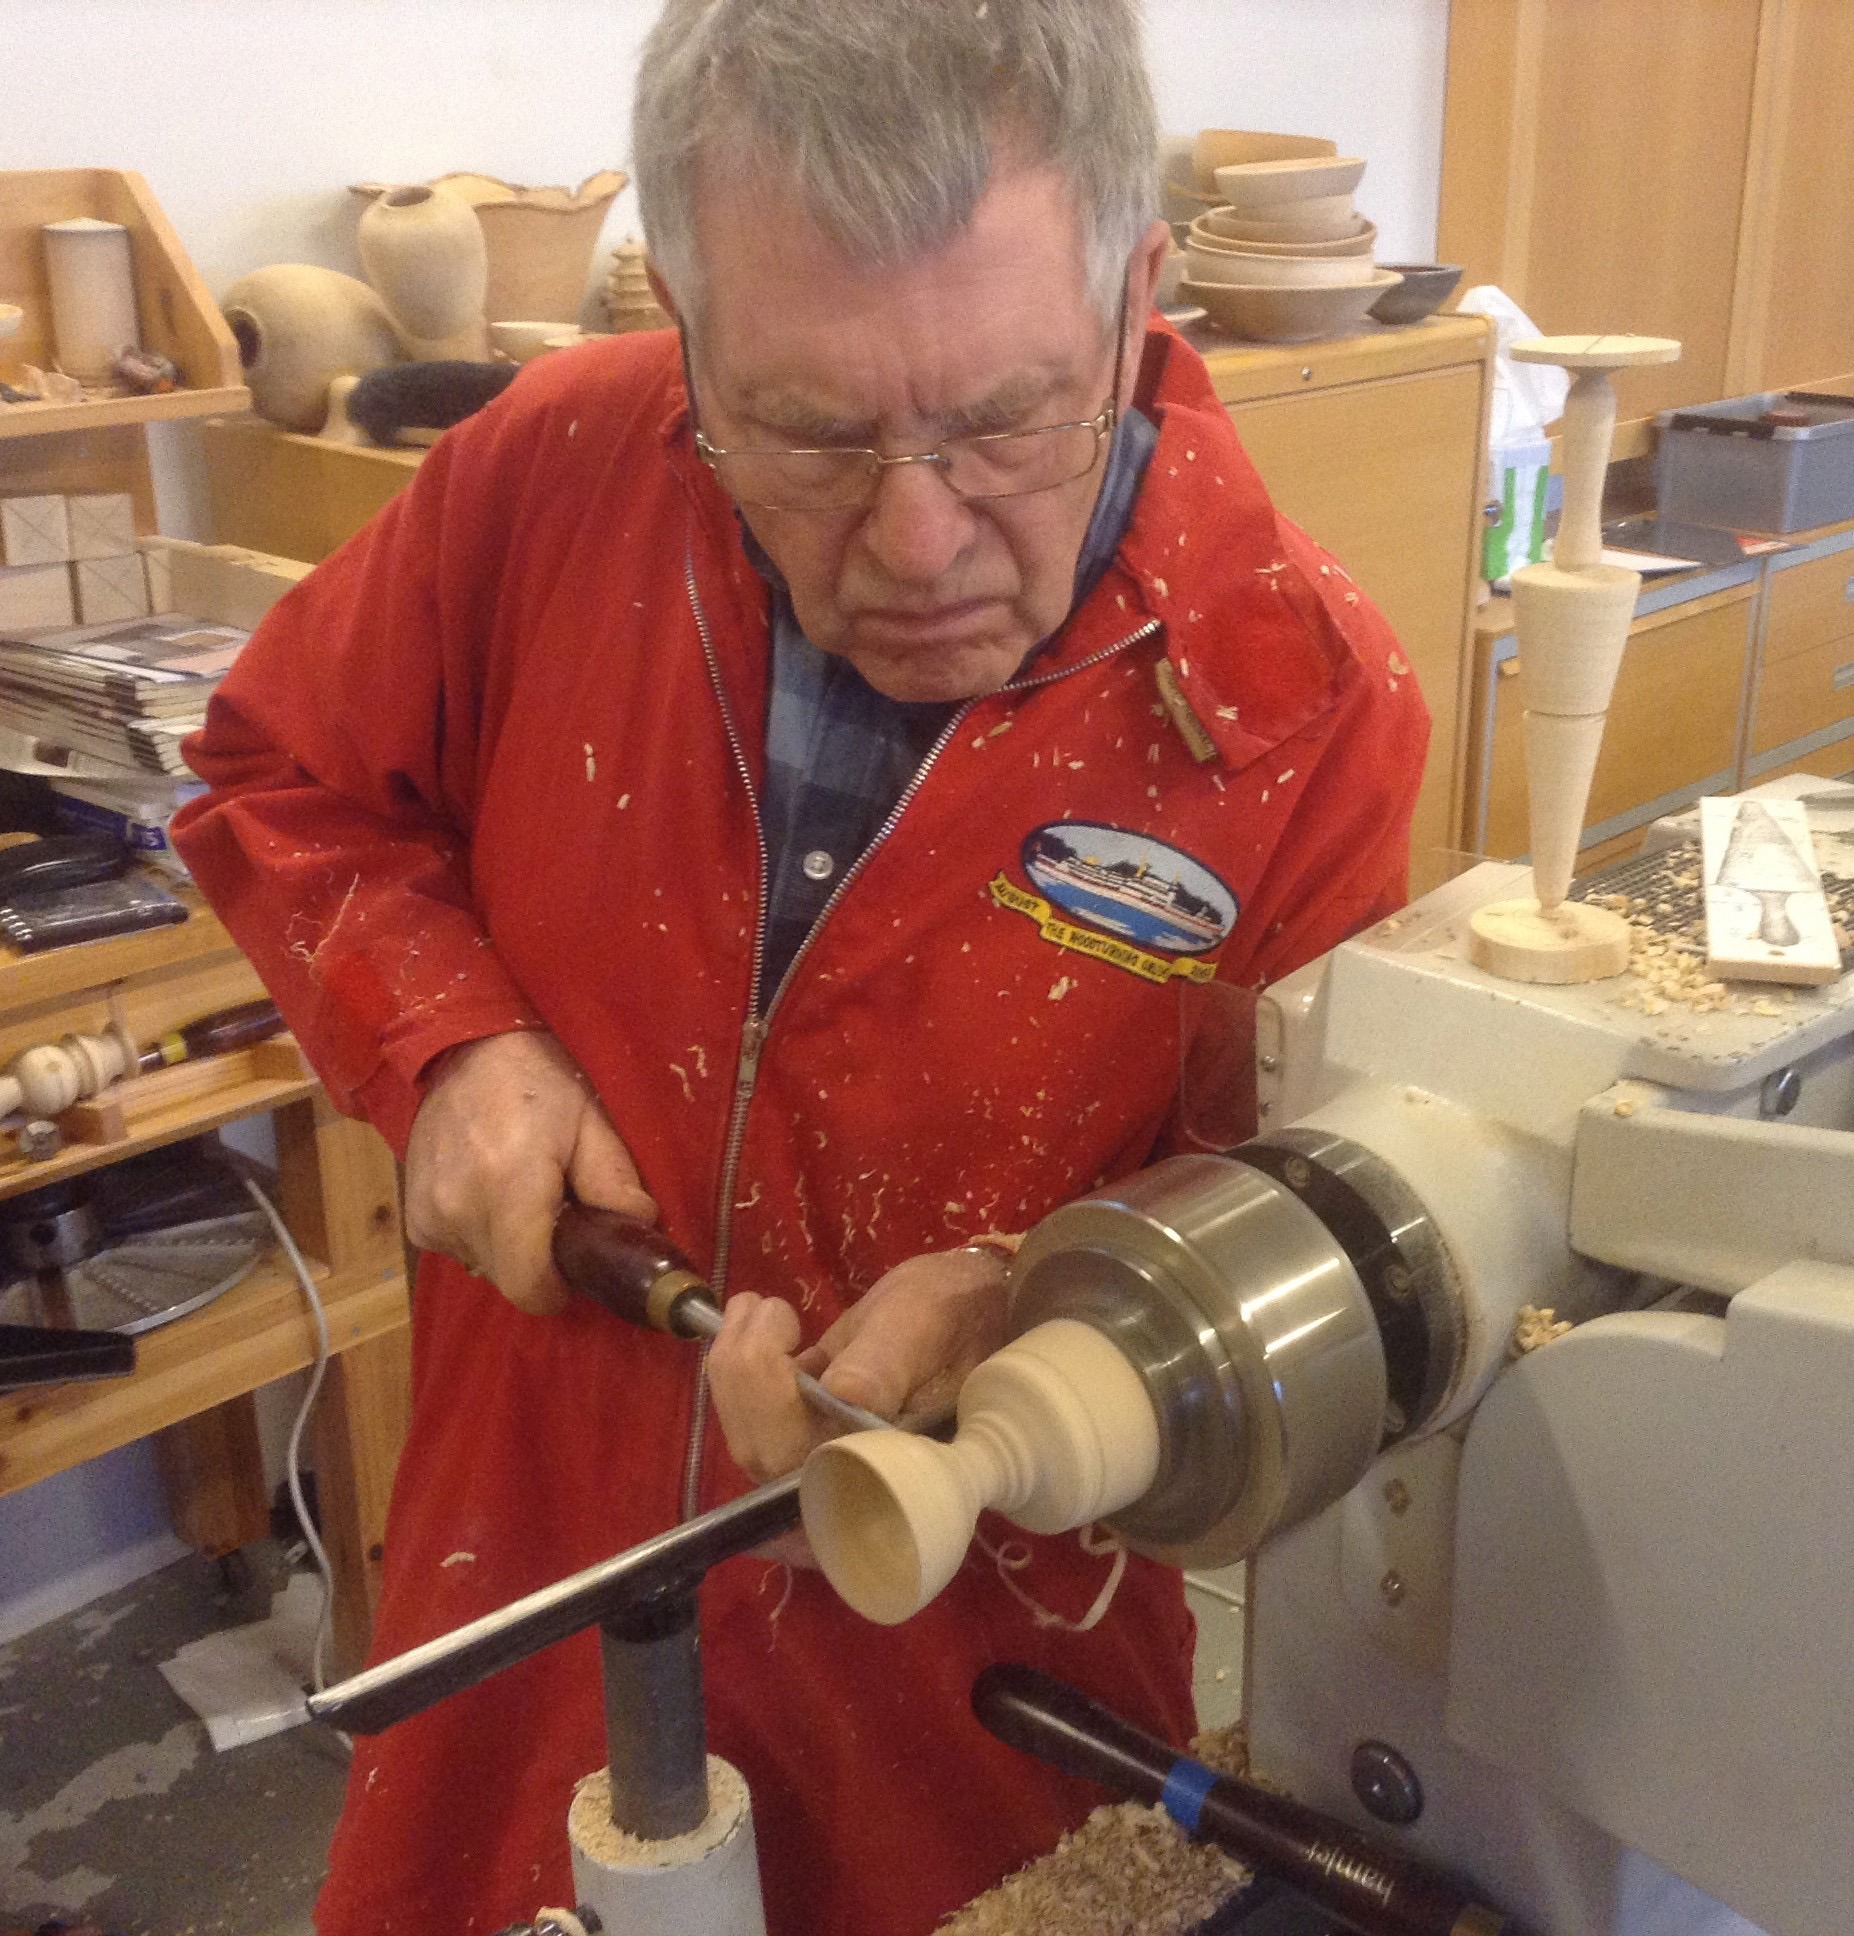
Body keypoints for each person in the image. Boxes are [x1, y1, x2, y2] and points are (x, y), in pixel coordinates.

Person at [174, 2, 1428, 1929]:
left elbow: (1306, 1224)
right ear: (683, 323)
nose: (917, 539)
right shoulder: (550, 470)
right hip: (539, 1574)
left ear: (1133, 296)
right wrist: (446, 1044)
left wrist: (1043, 1309)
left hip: (978, 1663)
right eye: (814, 432)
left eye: (1006, 418)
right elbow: (285, 774)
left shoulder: (1298, 702)